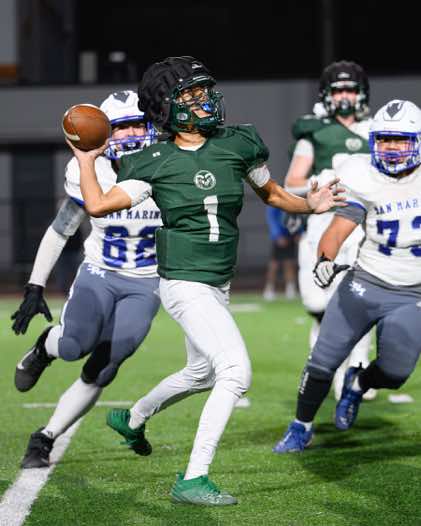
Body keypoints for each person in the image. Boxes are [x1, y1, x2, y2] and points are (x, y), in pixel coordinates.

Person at [65, 56, 344, 506]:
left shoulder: (237, 143)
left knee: (200, 373)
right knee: (235, 371)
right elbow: (96, 205)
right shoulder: (153, 161)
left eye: (204, 91)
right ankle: (193, 478)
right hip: (184, 282)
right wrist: (85, 159)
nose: (205, 101)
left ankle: (133, 419)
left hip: (218, 282)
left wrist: (310, 205)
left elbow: (272, 193)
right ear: (166, 108)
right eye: (191, 96)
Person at [12, 90, 162, 468]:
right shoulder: (92, 169)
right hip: (100, 271)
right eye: (123, 128)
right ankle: (45, 347)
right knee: (72, 346)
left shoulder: (168, 165)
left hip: (146, 281)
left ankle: (45, 437)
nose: (132, 135)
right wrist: (35, 285)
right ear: (105, 133)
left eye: (138, 125)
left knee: (105, 367)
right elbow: (62, 229)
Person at [273, 99, 421, 454]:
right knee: (323, 360)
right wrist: (325, 259)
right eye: (384, 139)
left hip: (413, 292)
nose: (391, 147)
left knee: (395, 373)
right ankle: (301, 426)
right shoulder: (363, 175)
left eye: (400, 140)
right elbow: (338, 230)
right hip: (366, 282)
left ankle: (358, 382)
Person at [283, 60, 375, 400]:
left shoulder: (375, 130)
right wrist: (319, 182)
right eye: (337, 91)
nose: (344, 96)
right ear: (326, 95)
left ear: (361, 93)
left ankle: (356, 371)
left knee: (358, 301)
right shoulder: (315, 132)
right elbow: (292, 183)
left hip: (362, 222)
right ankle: (322, 368)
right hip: (323, 222)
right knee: (317, 304)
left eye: (350, 89)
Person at [262, 206, 299, 301]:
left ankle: (290, 289)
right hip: (279, 237)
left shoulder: (293, 200)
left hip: (290, 234)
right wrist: (277, 235)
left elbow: (297, 216)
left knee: (290, 262)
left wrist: (298, 232)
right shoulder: (274, 203)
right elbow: (272, 218)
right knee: (274, 264)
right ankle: (269, 289)